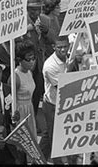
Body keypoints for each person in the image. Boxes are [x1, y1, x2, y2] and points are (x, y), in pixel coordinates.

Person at [39, 36, 71, 164]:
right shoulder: (50, 66)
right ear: (54, 47)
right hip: (53, 106)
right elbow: (64, 88)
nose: (63, 50)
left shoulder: (69, 57)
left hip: (63, 103)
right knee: (55, 139)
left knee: (48, 134)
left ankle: (38, 158)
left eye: (65, 46)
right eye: (59, 47)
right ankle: (57, 162)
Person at [10, 40, 37, 138]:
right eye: (28, 59)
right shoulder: (15, 77)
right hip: (20, 112)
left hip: (29, 109)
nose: (32, 62)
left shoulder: (30, 73)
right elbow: (10, 99)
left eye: (33, 58)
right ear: (19, 60)